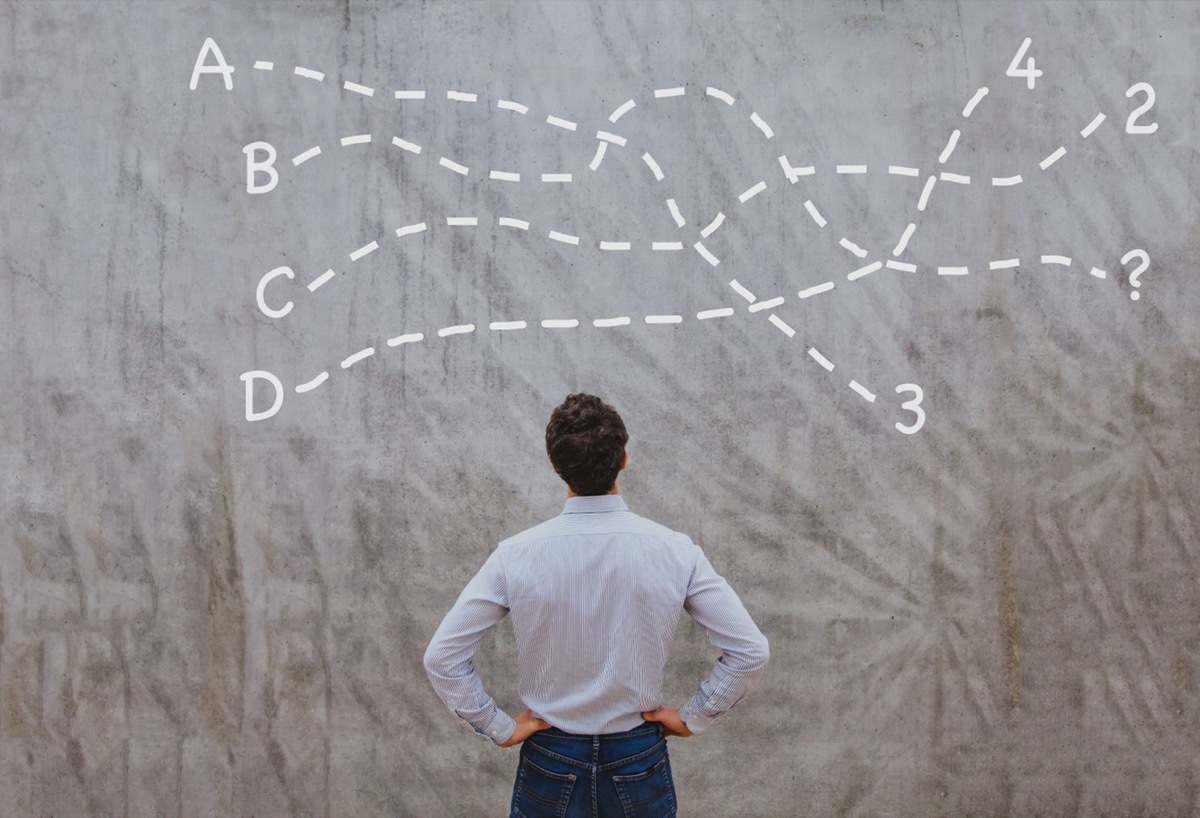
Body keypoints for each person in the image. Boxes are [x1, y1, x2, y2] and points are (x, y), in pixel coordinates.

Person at [424, 393, 769, 817]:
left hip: (550, 757)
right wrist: (694, 716)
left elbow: (443, 656)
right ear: (623, 459)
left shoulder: (516, 555)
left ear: (555, 466)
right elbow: (749, 651)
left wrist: (498, 726)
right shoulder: (675, 551)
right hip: (637, 756)